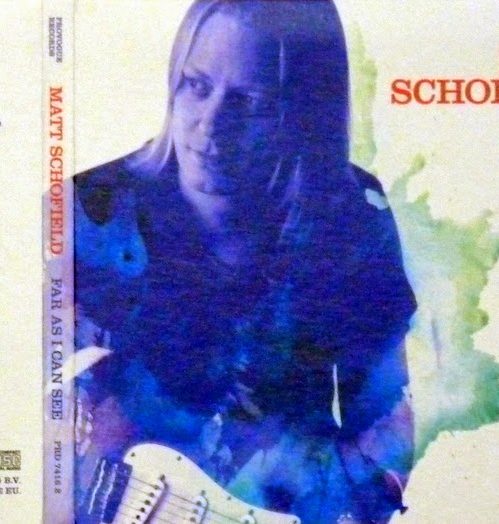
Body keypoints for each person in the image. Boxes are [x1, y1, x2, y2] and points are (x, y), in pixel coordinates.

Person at [73, 1, 417, 523]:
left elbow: (385, 422)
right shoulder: (86, 210)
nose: (210, 123)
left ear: (305, 115)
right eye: (196, 85)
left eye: (249, 102)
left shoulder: (352, 216)